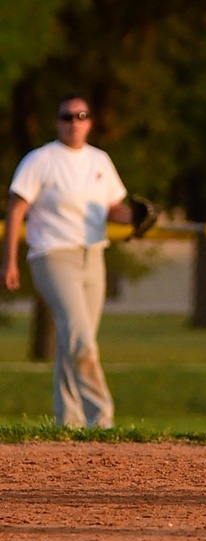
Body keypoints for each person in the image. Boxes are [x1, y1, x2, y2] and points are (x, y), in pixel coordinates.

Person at [1, 94, 136, 428]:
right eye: (66, 116)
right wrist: (10, 262)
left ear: (90, 121)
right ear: (57, 121)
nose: (74, 122)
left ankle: (68, 420)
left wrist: (137, 216)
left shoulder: (99, 160)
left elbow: (113, 208)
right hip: (53, 254)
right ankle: (101, 417)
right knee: (80, 337)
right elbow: (17, 209)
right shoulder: (41, 159)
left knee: (74, 337)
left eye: (81, 115)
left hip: (93, 255)